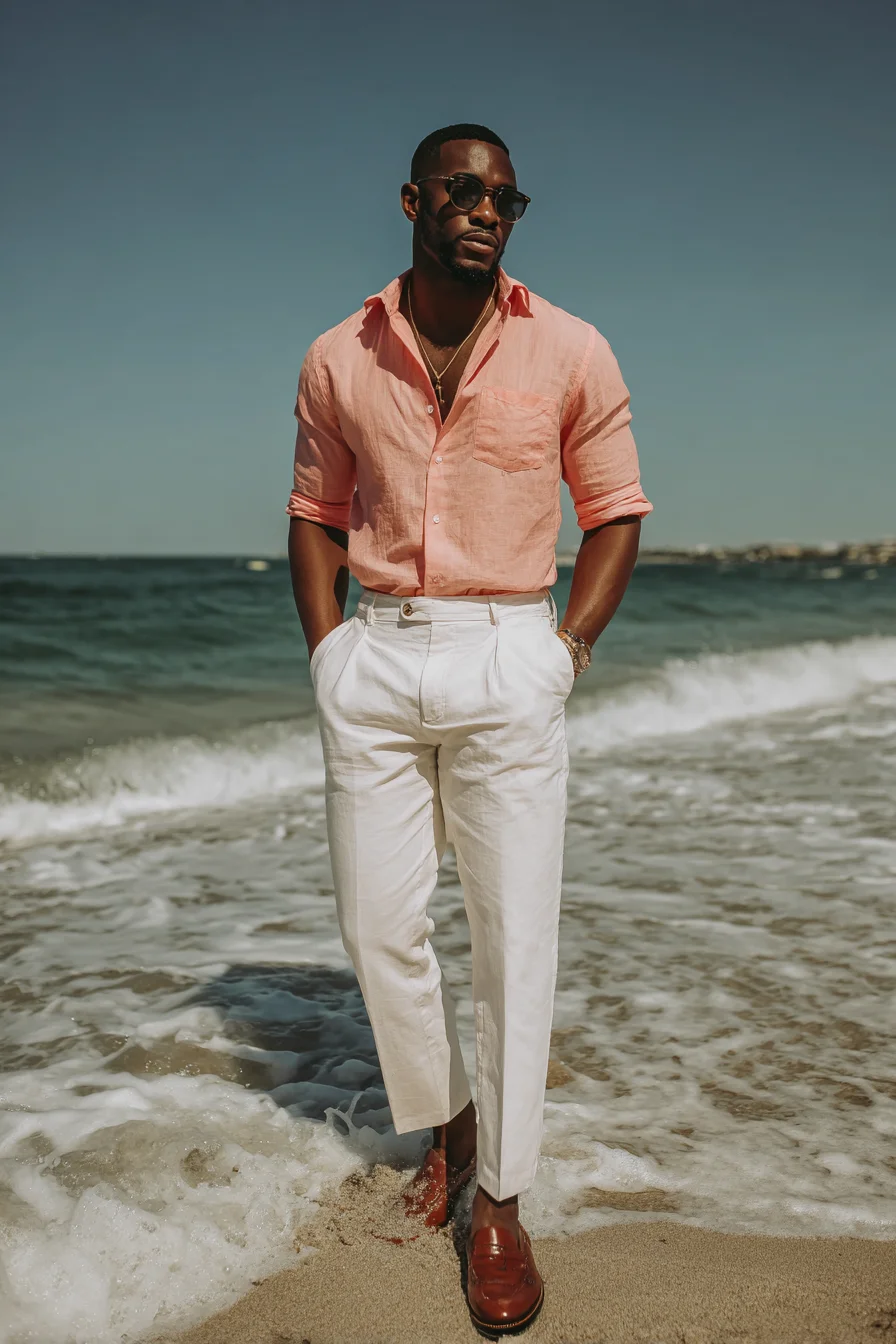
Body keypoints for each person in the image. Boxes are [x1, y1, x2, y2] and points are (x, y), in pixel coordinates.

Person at [287, 122, 651, 1337]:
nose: (483, 207)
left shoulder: (574, 348)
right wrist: (329, 649)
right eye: (460, 186)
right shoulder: (339, 353)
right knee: (379, 925)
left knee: (511, 944)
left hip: (509, 655)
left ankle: (497, 1199)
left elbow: (612, 513)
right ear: (410, 198)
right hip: (376, 656)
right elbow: (313, 511)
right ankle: (448, 1116)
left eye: (502, 194)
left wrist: (562, 656)